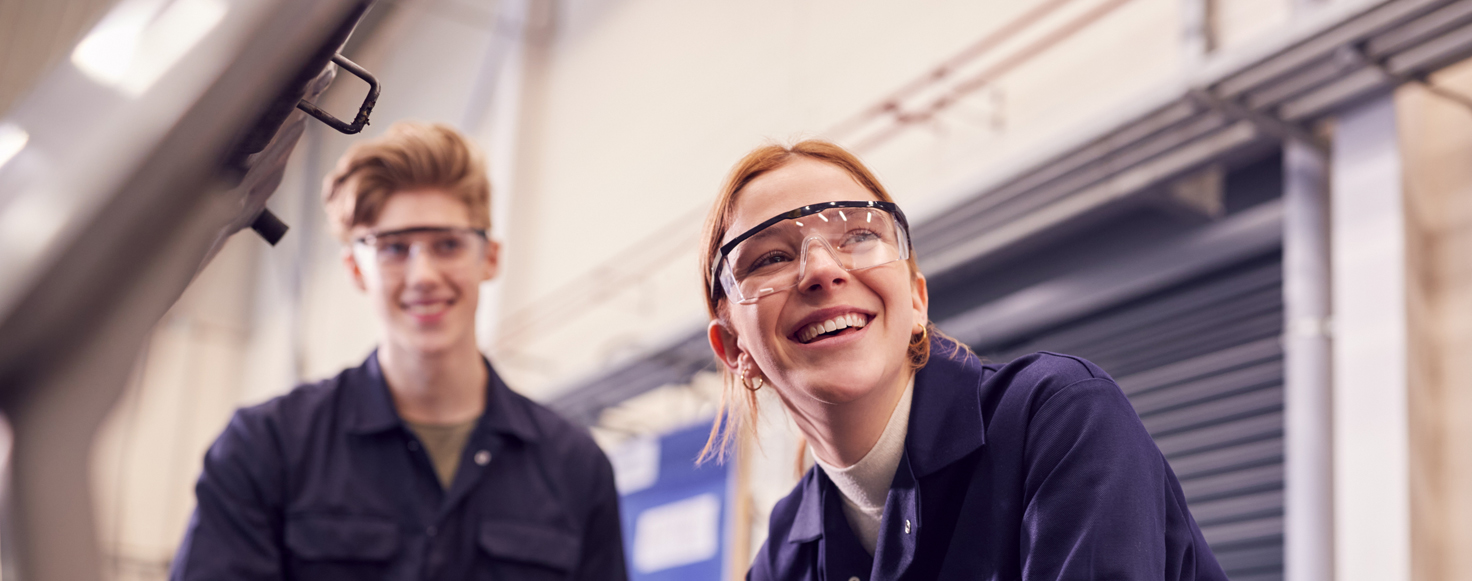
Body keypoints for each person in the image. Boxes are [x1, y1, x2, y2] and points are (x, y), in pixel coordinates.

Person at [699, 140, 1228, 580]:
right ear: (734, 350)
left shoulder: (1058, 419)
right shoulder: (786, 552)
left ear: (916, 302)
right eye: (770, 256)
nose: (821, 269)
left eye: (859, 235)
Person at [172, 122, 627, 580]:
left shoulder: (575, 468)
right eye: (393, 249)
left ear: (489, 258)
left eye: (447, 244)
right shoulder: (266, 449)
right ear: (355, 269)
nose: (424, 274)